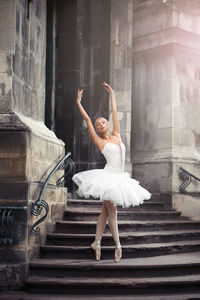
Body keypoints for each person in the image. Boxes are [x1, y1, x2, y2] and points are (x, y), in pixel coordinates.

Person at [72, 82, 151, 263]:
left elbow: (115, 113)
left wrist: (112, 94)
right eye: (98, 124)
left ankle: (97, 242)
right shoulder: (100, 142)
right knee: (112, 213)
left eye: (102, 122)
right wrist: (78, 103)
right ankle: (117, 245)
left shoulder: (117, 134)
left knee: (105, 213)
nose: (100, 125)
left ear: (107, 124)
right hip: (108, 178)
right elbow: (87, 121)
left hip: (120, 178)